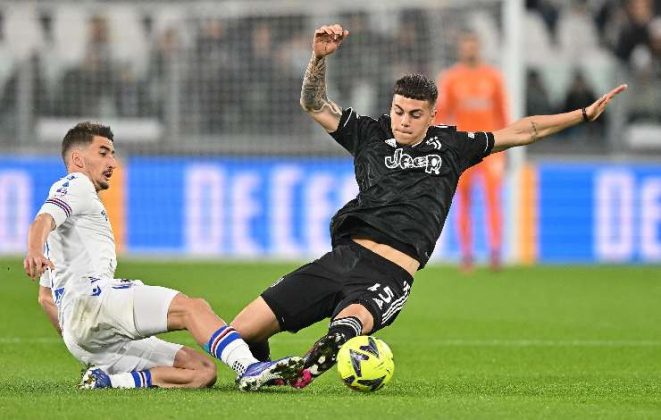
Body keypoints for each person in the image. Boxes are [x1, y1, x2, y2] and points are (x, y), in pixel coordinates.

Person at [230, 23, 627, 388]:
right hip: (343, 257)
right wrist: (318, 58)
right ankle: (264, 368)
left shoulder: (453, 146)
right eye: (398, 111)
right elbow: (314, 104)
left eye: (415, 115)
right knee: (239, 332)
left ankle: (329, 348)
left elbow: (525, 130)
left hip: (390, 272)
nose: (404, 121)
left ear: (432, 115)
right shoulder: (368, 133)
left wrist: (583, 114)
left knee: (352, 321)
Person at [24, 122, 302, 391]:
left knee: (201, 371)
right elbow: (43, 219)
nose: (112, 162)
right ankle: (249, 367)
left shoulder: (68, 228)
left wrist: (81, 337)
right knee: (192, 308)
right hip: (95, 301)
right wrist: (34, 250)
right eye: (103, 153)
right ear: (78, 159)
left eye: (113, 154)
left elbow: (45, 298)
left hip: (81, 332)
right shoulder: (76, 184)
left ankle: (110, 382)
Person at [434, 30, 509, 271]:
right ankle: (467, 255)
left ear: (479, 46)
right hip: (463, 149)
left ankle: (495, 253)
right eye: (466, 45)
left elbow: (502, 114)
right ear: (460, 48)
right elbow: (442, 115)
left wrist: (507, 147)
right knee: (463, 200)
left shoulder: (493, 77)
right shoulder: (451, 78)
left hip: (491, 148)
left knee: (493, 199)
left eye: (473, 44)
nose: (469, 49)